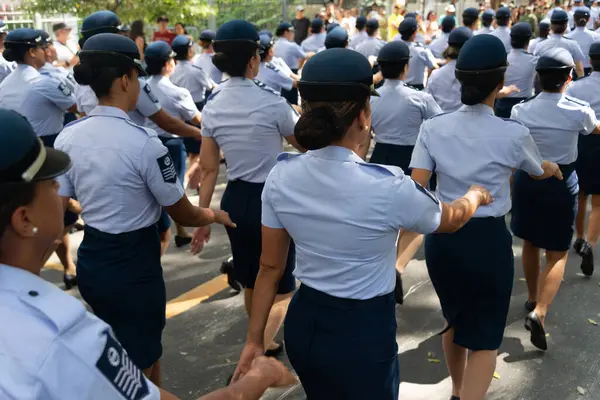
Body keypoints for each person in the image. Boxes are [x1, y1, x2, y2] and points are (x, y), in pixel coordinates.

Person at [231, 46, 495, 400]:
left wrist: (254, 340)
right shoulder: (388, 186)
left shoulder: (281, 175)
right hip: (362, 330)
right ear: (364, 115)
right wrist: (474, 197)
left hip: (305, 320)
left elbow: (270, 267)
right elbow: (448, 220)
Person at [0, 109, 300, 399]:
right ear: (24, 220)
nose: (64, 195)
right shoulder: (63, 334)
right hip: (131, 265)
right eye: (52, 186)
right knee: (142, 348)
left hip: (99, 260)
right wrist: (258, 380)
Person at [56, 32, 235, 386]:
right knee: (140, 362)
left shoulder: (69, 137)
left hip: (93, 257)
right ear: (125, 79)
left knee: (125, 350)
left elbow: (62, 204)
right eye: (136, 77)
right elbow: (183, 213)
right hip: (134, 262)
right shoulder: (144, 143)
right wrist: (215, 215)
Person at [410, 34, 561, 400]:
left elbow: (417, 183)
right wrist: (553, 168)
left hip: (443, 236)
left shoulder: (434, 127)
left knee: (453, 320)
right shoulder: (511, 132)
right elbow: (536, 168)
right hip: (489, 241)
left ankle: (458, 391)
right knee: (485, 339)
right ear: (500, 82)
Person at [192, 19, 304, 364]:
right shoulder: (272, 103)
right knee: (282, 283)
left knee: (252, 276)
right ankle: (259, 346)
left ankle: (259, 341)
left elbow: (209, 168)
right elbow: (303, 143)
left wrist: (202, 218)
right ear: (254, 60)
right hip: (274, 197)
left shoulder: (212, 105)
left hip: (236, 200)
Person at [510, 48, 600, 350]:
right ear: (569, 77)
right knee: (559, 252)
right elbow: (595, 129)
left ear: (538, 77)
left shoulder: (520, 110)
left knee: (530, 243)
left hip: (527, 181)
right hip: (562, 182)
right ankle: (540, 311)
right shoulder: (579, 108)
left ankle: (533, 296)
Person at [569, 42, 600, 277]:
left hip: (582, 142)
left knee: (580, 194)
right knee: (598, 202)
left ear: (590, 60)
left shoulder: (576, 87)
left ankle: (578, 237)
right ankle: (590, 242)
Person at [494, 22, 537, 117]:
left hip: (502, 105)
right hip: (524, 106)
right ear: (528, 40)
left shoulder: (502, 58)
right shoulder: (534, 60)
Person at [426, 27, 473, 113]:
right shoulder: (475, 74)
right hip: (467, 122)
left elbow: (428, 104)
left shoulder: (435, 75)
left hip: (441, 121)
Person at [532, 10, 586, 78]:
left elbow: (534, 68)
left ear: (551, 26)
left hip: (545, 84)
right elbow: (579, 69)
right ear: (566, 25)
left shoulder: (540, 45)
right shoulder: (572, 45)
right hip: (566, 85)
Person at [395, 17, 438, 90]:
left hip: (399, 88)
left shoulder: (395, 48)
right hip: (417, 89)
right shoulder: (421, 50)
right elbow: (434, 68)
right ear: (414, 33)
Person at [274, 22, 308, 105]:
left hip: (276, 74)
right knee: (292, 103)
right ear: (286, 32)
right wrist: (299, 67)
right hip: (291, 74)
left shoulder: (274, 45)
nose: (293, 34)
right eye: (292, 31)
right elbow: (304, 56)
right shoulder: (292, 45)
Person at [566, 6, 600, 76]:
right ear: (589, 19)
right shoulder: (596, 36)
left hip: (573, 73)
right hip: (591, 72)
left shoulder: (567, 37)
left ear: (574, 18)